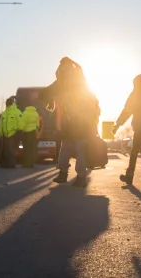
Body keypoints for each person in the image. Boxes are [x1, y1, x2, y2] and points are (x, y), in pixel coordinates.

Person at [41, 57, 100, 187]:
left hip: (71, 122)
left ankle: (64, 174)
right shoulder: (79, 78)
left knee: (66, 148)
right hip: (82, 122)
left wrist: (46, 97)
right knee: (80, 149)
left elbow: (47, 91)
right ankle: (80, 177)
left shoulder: (61, 82)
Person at [0, 97, 24, 169]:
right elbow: (1, 124)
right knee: (6, 150)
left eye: (8, 103)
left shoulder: (17, 112)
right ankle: (5, 164)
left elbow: (21, 122)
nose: (7, 105)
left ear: (11, 104)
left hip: (13, 133)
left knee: (12, 150)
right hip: (5, 134)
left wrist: (20, 130)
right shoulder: (4, 113)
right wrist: (0, 133)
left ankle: (11, 164)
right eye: (6, 103)